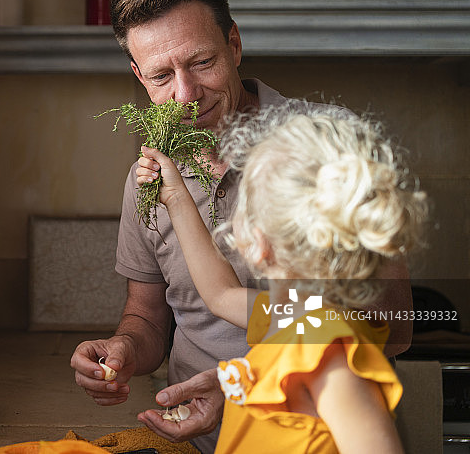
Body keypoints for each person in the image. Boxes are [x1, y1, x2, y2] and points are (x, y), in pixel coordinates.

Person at [69, 0, 413, 453]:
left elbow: (393, 328)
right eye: (161, 76)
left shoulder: (330, 147)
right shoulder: (150, 179)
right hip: (200, 442)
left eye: (201, 62)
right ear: (139, 76)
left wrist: (241, 388)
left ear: (233, 44)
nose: (186, 94)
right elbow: (193, 302)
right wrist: (122, 349)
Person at [133, 107, 427, 453]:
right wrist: (176, 196)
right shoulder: (302, 316)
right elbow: (220, 293)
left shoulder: (331, 358)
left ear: (259, 244)